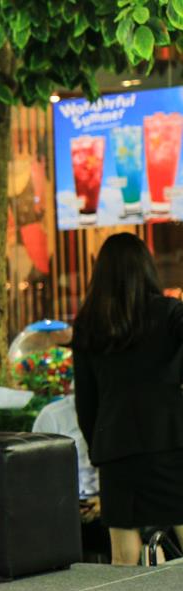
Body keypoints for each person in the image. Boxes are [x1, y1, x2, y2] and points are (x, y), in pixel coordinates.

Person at [72, 232, 183, 566]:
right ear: (147, 268)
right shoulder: (169, 313)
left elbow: (86, 401)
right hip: (170, 440)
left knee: (123, 554)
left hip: (116, 447)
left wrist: (98, 447)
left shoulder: (89, 324)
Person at [32, 392, 109, 561]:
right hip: (64, 506)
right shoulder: (52, 416)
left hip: (108, 505)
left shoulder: (116, 413)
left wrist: (106, 499)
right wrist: (68, 503)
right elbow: (37, 474)